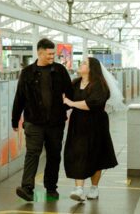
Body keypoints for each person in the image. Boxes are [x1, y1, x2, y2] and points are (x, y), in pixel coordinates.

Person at [12, 38, 73, 201]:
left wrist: (64, 108)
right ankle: (27, 188)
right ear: (40, 53)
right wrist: (15, 119)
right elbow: (20, 97)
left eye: (53, 53)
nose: (52, 56)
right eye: (49, 54)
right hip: (34, 122)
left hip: (55, 123)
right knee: (32, 153)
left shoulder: (60, 71)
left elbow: (71, 93)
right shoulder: (27, 73)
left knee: (54, 155)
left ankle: (51, 187)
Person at [63, 57, 118, 202]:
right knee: (77, 153)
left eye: (84, 63)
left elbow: (92, 104)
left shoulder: (100, 85)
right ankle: (79, 189)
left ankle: (94, 188)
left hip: (96, 124)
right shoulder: (74, 84)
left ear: (92, 68)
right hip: (78, 123)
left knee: (96, 154)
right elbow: (65, 101)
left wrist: (71, 103)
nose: (81, 64)